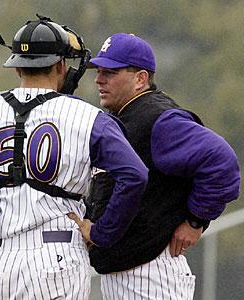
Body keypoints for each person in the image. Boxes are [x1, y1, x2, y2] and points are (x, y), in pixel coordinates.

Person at [0, 16, 149, 299]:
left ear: (17, 67)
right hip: (58, 256)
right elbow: (135, 174)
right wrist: (102, 233)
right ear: (61, 66)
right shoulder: (88, 117)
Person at [82, 32, 241, 299]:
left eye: (110, 72)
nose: (99, 79)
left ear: (140, 78)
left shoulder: (159, 119)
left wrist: (195, 219)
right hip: (127, 270)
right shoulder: (124, 116)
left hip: (151, 272)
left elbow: (222, 162)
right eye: (99, 71)